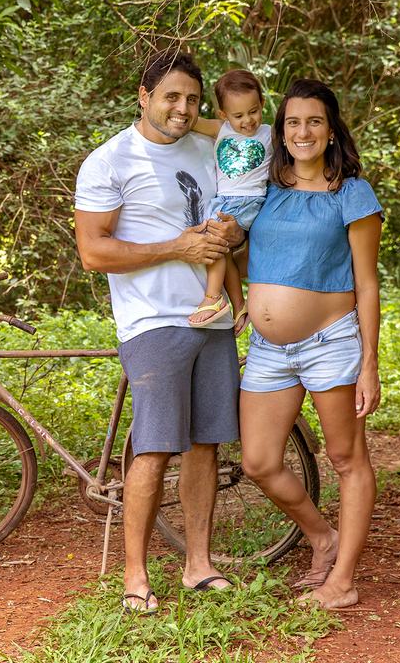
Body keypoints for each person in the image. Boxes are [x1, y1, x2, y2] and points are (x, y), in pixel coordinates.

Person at [74, 50, 245, 615]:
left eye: (192, 99)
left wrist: (231, 234)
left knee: (205, 445)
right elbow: (94, 252)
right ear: (142, 95)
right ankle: (135, 579)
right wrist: (178, 246)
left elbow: (238, 201)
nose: (182, 107)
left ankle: (198, 565)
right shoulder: (110, 160)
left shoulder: (210, 149)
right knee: (152, 448)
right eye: (170, 96)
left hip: (212, 315)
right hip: (152, 323)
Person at [236, 78, 383, 609]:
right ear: (280, 130)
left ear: (331, 129)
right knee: (258, 461)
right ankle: (324, 538)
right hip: (270, 350)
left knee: (347, 459)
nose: (303, 131)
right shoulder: (264, 188)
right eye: (293, 122)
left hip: (332, 343)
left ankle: (341, 583)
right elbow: (219, 128)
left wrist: (369, 363)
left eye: (314, 121)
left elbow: (367, 283)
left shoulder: (352, 193)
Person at [185, 69, 274, 333]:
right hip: (225, 201)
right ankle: (239, 305)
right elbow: (189, 120)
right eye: (238, 115)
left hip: (248, 201)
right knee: (226, 255)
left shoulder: (270, 133)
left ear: (261, 105)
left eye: (254, 111)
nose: (248, 120)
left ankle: (213, 298)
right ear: (224, 115)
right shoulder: (219, 129)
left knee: (211, 243)